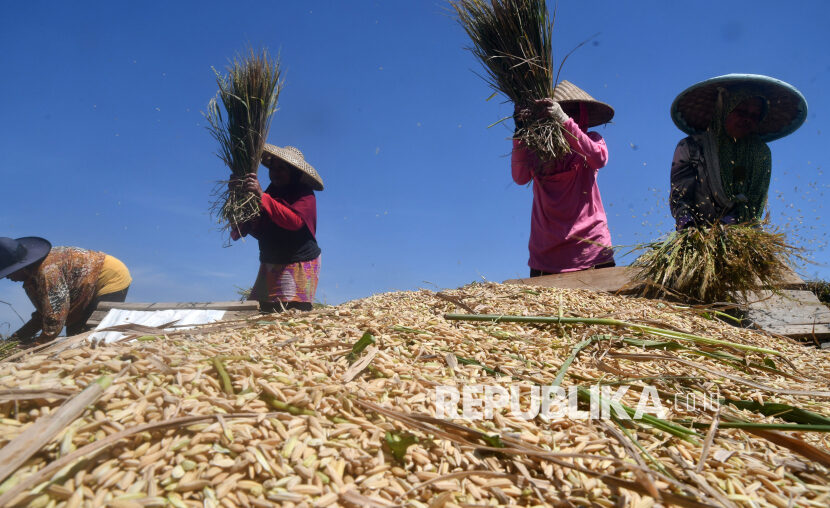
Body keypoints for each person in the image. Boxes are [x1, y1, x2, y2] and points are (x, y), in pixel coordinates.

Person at [669, 74, 808, 229]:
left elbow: (754, 203)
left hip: (740, 231)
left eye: (755, 116)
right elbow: (680, 197)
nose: (747, 119)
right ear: (725, 109)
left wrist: (725, 228)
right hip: (696, 231)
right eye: (741, 112)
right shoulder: (691, 147)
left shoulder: (759, 154)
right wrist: (690, 227)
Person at [511, 80, 616, 277]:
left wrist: (564, 120)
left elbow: (598, 158)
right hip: (546, 255)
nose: (568, 116)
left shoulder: (590, 139)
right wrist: (520, 132)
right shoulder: (537, 149)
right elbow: (519, 177)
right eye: (562, 110)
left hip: (590, 250)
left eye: (572, 112)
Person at [230, 144, 323, 312]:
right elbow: (254, 227)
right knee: (260, 310)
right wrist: (237, 197)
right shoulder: (270, 194)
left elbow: (294, 221)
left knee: (290, 312)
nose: (275, 173)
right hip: (271, 262)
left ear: (294, 173)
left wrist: (261, 197)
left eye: (282, 168)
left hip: (298, 262)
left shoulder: (305, 195)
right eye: (273, 168)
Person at [0, 237, 131, 344]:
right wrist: (15, 340)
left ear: (21, 267)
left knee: (89, 336)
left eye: (9, 272)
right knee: (74, 335)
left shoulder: (48, 272)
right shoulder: (32, 280)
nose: (7, 276)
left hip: (108, 277)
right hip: (82, 289)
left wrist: (38, 345)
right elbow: (43, 315)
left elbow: (55, 317)